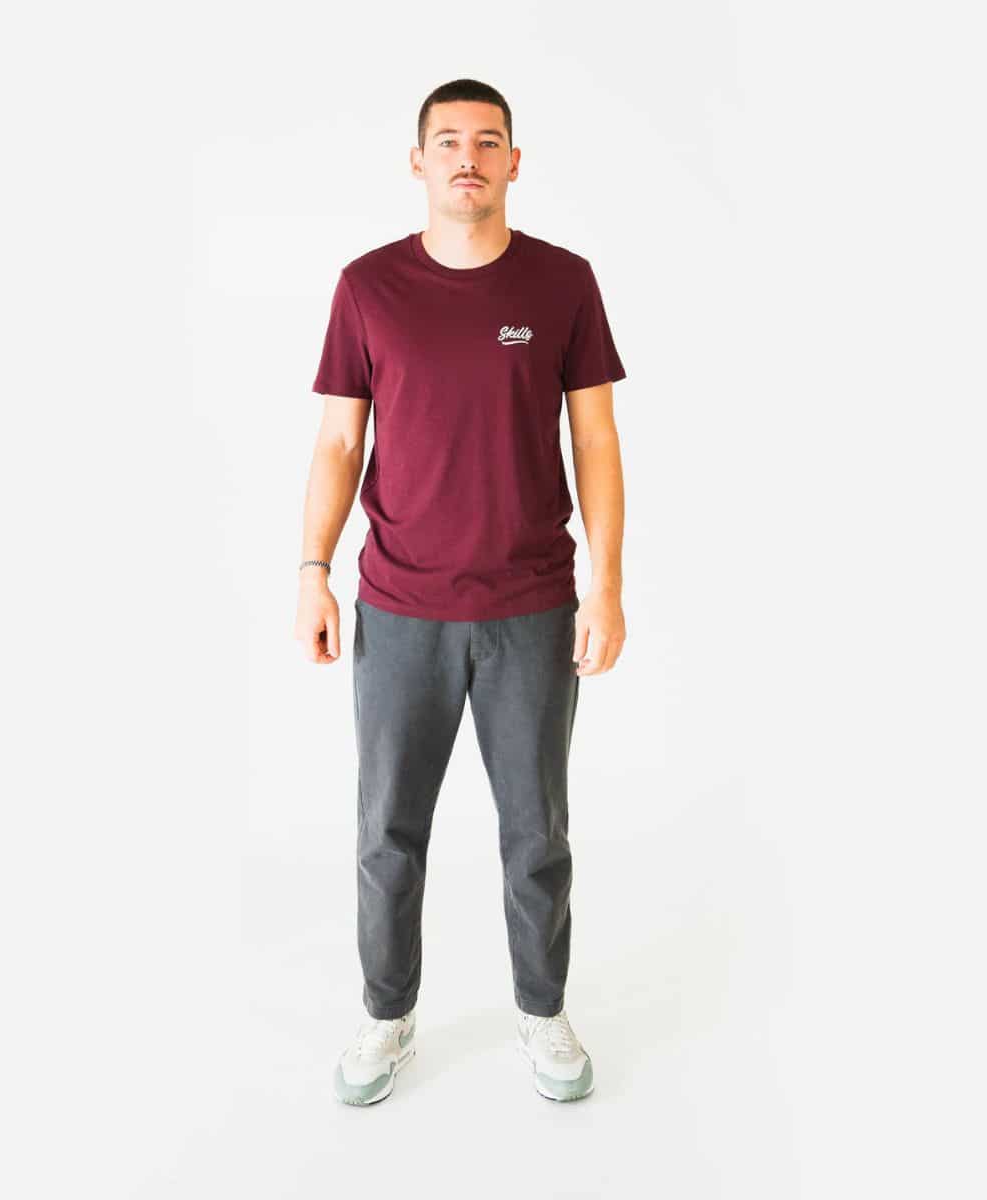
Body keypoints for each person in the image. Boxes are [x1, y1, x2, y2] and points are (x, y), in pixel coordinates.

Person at [296, 78, 628, 1105]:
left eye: (488, 142)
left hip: (532, 609)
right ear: (419, 162)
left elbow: (596, 441)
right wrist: (312, 572)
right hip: (400, 610)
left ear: (514, 162)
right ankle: (386, 1015)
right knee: (387, 834)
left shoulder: (563, 284)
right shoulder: (368, 288)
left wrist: (608, 586)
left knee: (536, 836)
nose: (467, 158)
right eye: (448, 142)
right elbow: (340, 442)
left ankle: (543, 1011)